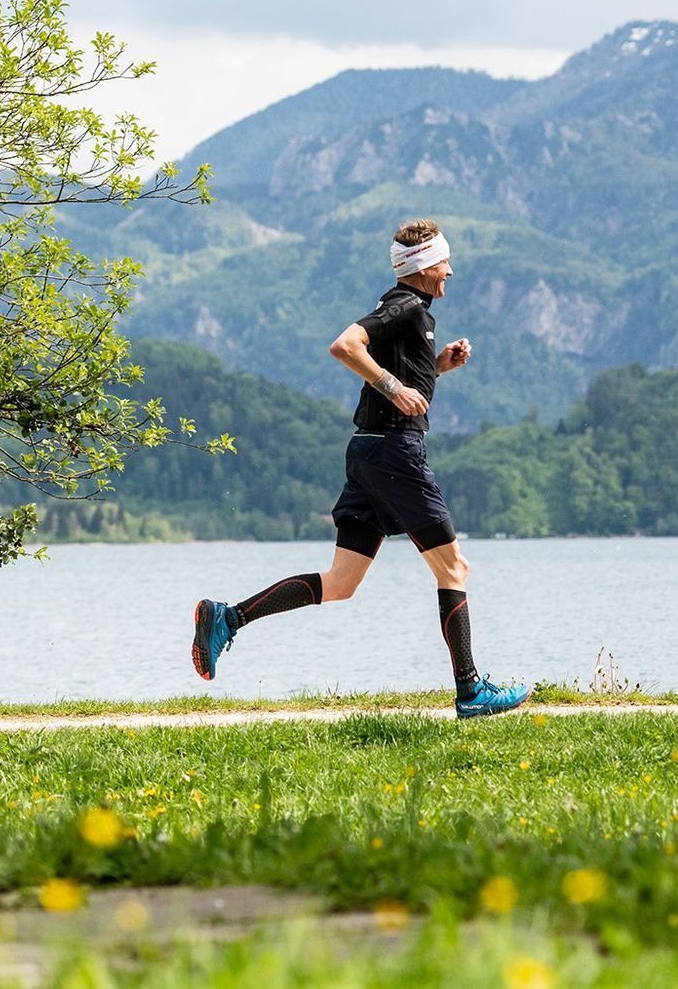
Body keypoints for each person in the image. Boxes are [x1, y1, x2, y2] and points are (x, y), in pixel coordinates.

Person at [189, 219, 531, 718]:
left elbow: (396, 372)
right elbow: (345, 346)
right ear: (422, 267)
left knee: (341, 583)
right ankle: (471, 689)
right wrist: (395, 387)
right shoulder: (406, 306)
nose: (450, 272)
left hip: (368, 452)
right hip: (395, 454)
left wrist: (435, 367)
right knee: (453, 568)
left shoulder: (412, 313)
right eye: (444, 263)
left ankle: (227, 618)